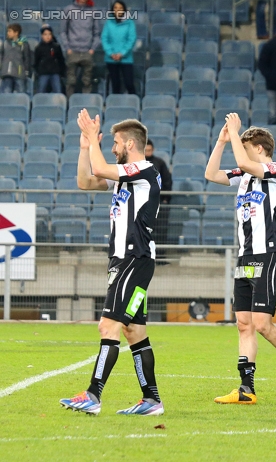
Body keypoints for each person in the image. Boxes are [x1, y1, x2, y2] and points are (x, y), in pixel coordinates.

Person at [204, 114, 276, 404]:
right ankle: (246, 389)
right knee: (244, 323)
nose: (239, 150)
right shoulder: (243, 176)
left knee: (263, 323)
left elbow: (243, 163)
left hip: (268, 252)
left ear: (259, 148)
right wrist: (220, 142)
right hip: (245, 254)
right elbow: (211, 175)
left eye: (244, 145)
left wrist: (233, 129)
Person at [60, 111, 164, 416]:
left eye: (117, 142)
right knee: (134, 331)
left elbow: (100, 167)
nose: (113, 147)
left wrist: (93, 138)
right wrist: (84, 146)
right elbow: (85, 181)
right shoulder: (125, 178)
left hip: (134, 259)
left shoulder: (144, 170)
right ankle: (151, 399)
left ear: (131, 144)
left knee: (108, 324)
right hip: (125, 260)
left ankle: (93, 394)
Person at [59, 0, 102, 97]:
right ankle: (70, 103)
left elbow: (96, 33)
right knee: (71, 81)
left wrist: (92, 49)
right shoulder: (68, 10)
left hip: (87, 51)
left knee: (87, 81)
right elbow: (62, 31)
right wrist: (67, 48)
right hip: (72, 51)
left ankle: (86, 103)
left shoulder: (93, 11)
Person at [144, 140, 172, 262]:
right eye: (146, 150)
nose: (148, 152)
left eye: (150, 150)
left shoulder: (160, 163)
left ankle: (160, 256)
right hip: (143, 203)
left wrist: (165, 199)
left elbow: (167, 181)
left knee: (160, 229)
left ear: (153, 150)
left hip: (159, 202)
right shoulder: (138, 164)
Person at [102, 0, 137, 95]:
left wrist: (122, 53)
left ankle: (135, 104)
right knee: (115, 84)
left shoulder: (130, 23)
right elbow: (104, 39)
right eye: (116, 8)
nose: (118, 10)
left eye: (120, 8)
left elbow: (131, 39)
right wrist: (111, 53)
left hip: (126, 59)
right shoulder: (108, 22)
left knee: (129, 83)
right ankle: (115, 106)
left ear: (124, 10)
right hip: (111, 59)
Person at [34, 24, 66, 94]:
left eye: (49, 34)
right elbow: (36, 61)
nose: (47, 36)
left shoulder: (56, 47)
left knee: (58, 92)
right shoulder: (38, 48)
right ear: (42, 36)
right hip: (43, 73)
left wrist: (61, 72)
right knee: (41, 92)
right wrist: (38, 71)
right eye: (45, 34)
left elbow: (61, 60)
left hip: (55, 73)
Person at [0, 24, 31, 94]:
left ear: (16, 33)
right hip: (6, 73)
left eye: (10, 31)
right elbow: (1, 56)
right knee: (6, 94)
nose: (8, 33)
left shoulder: (24, 44)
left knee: (20, 95)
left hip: (19, 73)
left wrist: (27, 71)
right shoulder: (5, 43)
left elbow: (27, 58)